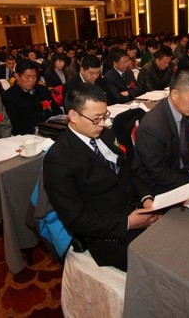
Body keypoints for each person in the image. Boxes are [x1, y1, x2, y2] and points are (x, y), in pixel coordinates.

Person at [43, 83, 158, 271]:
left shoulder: (105, 134)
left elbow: (128, 171)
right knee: (159, 260)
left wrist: (146, 198)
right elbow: (75, 218)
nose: (103, 123)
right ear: (73, 116)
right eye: (96, 119)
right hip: (106, 230)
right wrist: (127, 223)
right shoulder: (58, 159)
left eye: (105, 116)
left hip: (134, 205)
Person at [133, 66, 189, 196]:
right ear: (174, 95)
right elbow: (158, 172)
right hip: (163, 184)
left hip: (184, 171)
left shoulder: (186, 111)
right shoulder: (152, 127)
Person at [1, 59, 62, 135]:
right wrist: (38, 130)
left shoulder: (42, 90)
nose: (31, 80)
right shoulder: (8, 96)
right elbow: (15, 125)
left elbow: (57, 111)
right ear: (16, 76)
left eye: (34, 77)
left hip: (52, 131)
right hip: (28, 136)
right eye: (27, 77)